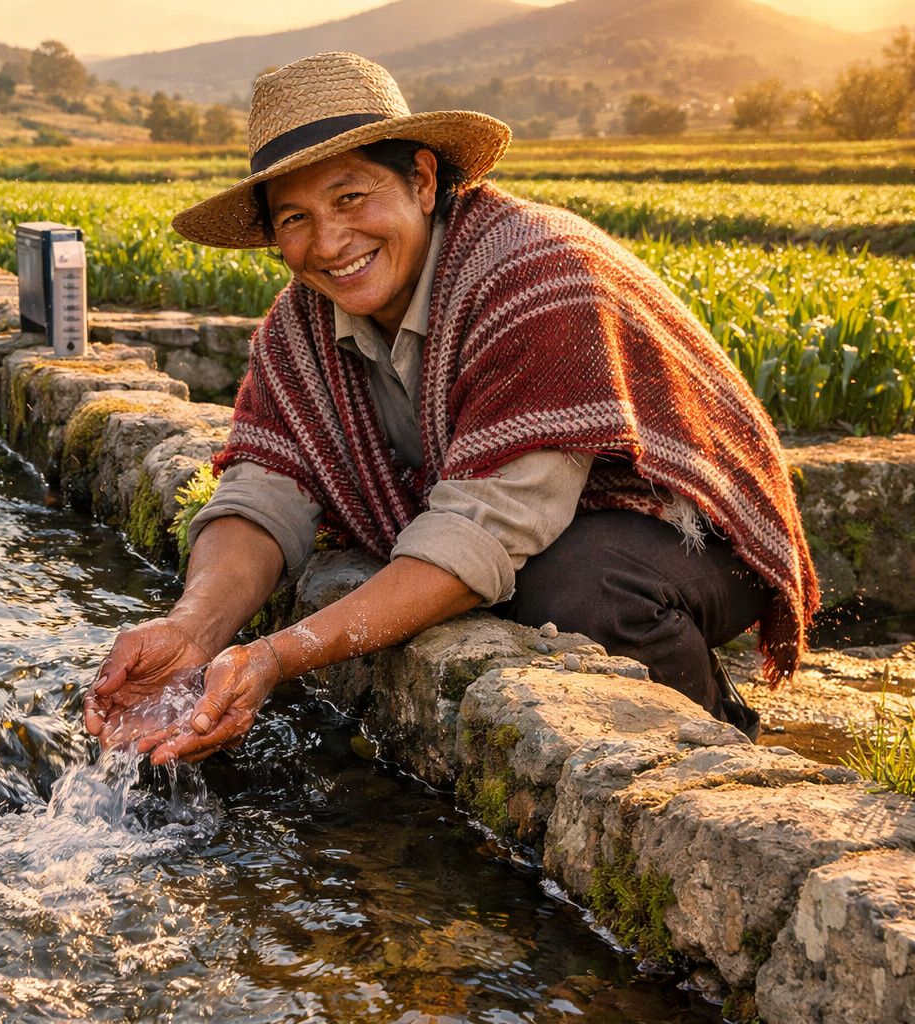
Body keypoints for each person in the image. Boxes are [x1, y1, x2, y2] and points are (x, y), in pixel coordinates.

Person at [84, 52, 818, 766]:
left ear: (425, 181)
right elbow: (265, 487)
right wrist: (193, 631)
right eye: (295, 218)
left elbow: (481, 533)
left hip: (691, 529)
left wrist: (279, 655)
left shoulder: (534, 277)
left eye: (350, 197)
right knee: (514, 575)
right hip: (549, 523)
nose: (330, 241)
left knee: (572, 586)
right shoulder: (298, 328)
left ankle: (711, 756)